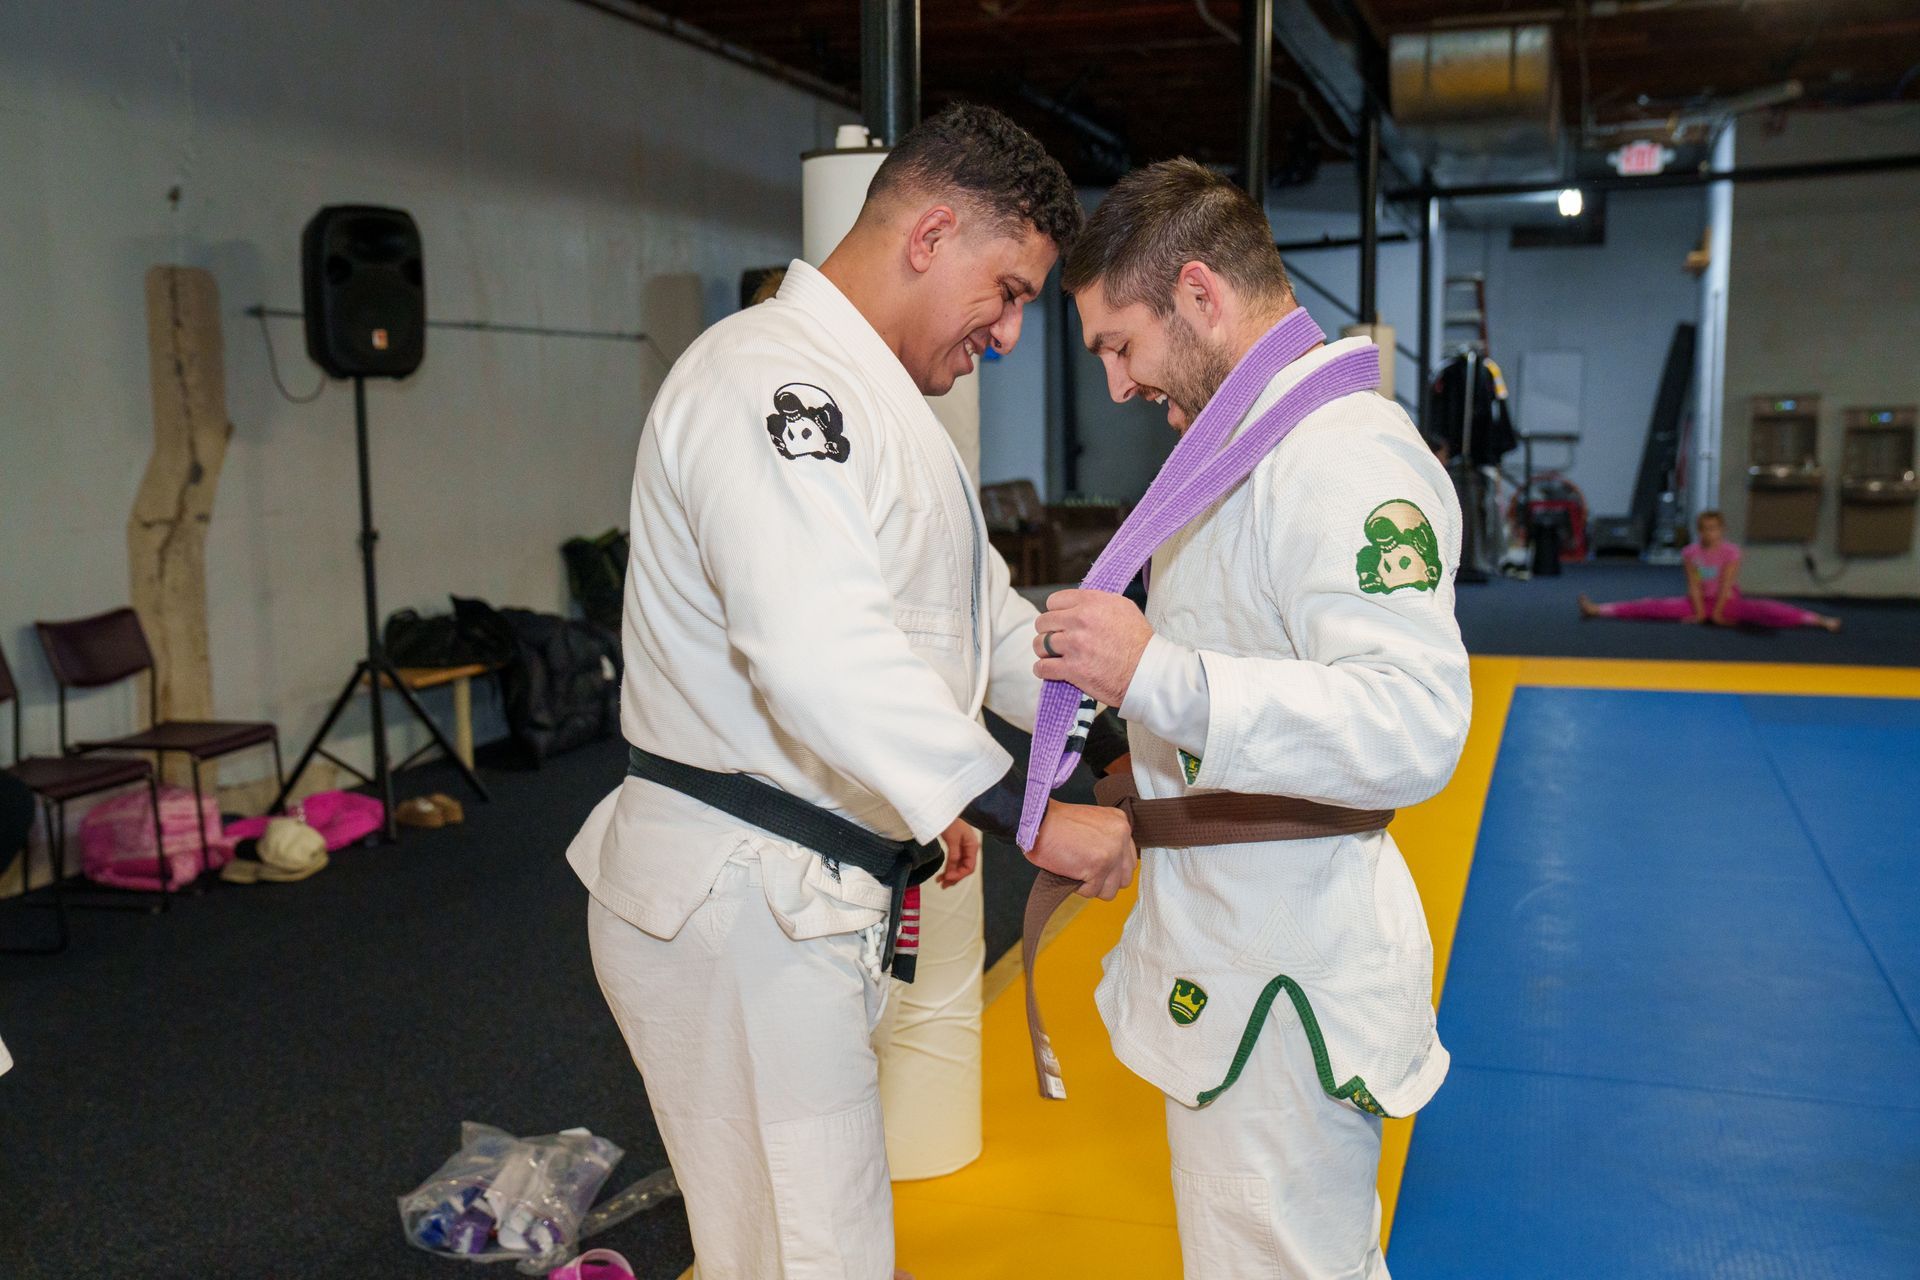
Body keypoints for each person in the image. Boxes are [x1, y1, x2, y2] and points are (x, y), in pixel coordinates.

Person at [565, 103, 1135, 1280]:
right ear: (930, 235)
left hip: (801, 898)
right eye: (1012, 288)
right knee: (815, 1254)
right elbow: (814, 644)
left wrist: (1138, 711)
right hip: (734, 898)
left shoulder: (886, 411)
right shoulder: (770, 380)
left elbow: (981, 633)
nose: (1015, 334)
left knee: (791, 1250)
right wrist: (1016, 812)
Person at [1035, 159, 1470, 1279]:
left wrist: (1162, 675)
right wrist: (1140, 748)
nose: (1120, 386)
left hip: (1289, 962)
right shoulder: (1243, 454)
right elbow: (1243, 663)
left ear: (1198, 294)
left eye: (1119, 346)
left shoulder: (1340, 455)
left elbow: (1417, 720)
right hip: (1231, 934)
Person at [1579, 510, 1842, 631]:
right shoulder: (1690, 553)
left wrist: (1716, 615)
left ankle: (1817, 620)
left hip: (1727, 600)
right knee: (1653, 606)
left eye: (1714, 528)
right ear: (1699, 531)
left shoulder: (1731, 552)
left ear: (1722, 530)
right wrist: (1701, 612)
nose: (1709, 533)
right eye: (1704, 529)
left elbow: (1727, 584)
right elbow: (1694, 585)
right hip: (1697, 602)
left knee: (1766, 610)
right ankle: (1600, 609)